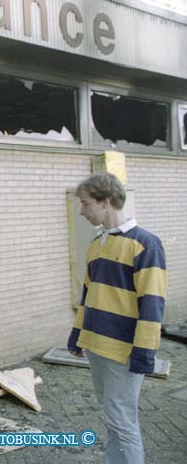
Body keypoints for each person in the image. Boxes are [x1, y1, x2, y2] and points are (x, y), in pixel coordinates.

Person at [68, 173, 167, 464]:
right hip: (96, 348)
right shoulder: (96, 245)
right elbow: (89, 297)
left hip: (122, 351)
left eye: (86, 204)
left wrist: (145, 353)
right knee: (113, 418)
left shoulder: (146, 244)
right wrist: (77, 334)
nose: (81, 211)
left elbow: (152, 304)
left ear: (107, 201)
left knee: (123, 422)